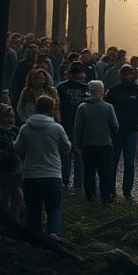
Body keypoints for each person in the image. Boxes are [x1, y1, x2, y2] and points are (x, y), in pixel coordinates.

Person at [14, 95, 71, 239]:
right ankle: (53, 235)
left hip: (31, 175)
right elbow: (66, 148)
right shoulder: (57, 128)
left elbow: (18, 149)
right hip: (52, 174)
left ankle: (34, 238)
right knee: (54, 207)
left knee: (33, 209)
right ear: (52, 110)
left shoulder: (25, 127)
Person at [73, 80, 119, 205]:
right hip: (105, 145)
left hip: (87, 145)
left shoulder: (82, 108)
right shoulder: (108, 107)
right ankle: (105, 199)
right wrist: (107, 135)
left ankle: (90, 198)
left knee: (88, 173)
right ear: (102, 92)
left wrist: (76, 145)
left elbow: (78, 128)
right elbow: (115, 127)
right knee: (105, 173)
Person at [106, 65, 138, 201]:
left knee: (129, 163)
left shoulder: (137, 91)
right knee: (113, 163)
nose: (127, 77)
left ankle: (127, 192)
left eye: (129, 74)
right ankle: (111, 190)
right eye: (124, 74)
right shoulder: (113, 91)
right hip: (116, 132)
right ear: (121, 75)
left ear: (132, 75)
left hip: (131, 132)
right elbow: (107, 109)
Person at [56, 62, 89, 190]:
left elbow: (57, 107)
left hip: (66, 124)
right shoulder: (86, 88)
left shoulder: (60, 87)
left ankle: (65, 183)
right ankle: (78, 184)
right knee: (79, 157)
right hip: (81, 127)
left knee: (66, 156)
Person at [0, 105, 24, 219]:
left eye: (12, 117)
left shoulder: (17, 131)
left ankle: (14, 216)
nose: (10, 119)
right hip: (0, 167)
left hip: (16, 167)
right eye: (6, 116)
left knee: (16, 192)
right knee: (4, 193)